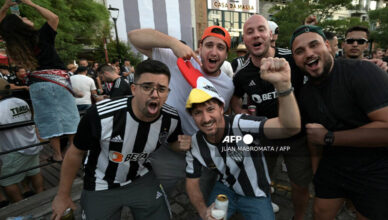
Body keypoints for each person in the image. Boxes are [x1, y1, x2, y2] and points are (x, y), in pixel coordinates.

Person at [51, 60, 190, 220]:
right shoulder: (101, 116)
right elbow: (75, 153)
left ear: (167, 93)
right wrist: (63, 195)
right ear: (133, 89)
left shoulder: (170, 118)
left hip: (141, 177)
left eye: (161, 89)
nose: (154, 94)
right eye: (146, 87)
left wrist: (183, 144)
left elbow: (173, 142)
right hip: (100, 183)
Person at [291, 25, 388, 220]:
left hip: (375, 167)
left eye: (314, 45)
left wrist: (330, 137)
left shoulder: (363, 72)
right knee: (320, 213)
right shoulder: (307, 93)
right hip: (333, 165)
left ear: (328, 46)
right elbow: (313, 138)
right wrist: (317, 172)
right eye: (300, 51)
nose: (308, 53)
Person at [184, 57, 301, 220]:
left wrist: (283, 86)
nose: (205, 118)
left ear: (221, 107)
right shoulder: (196, 142)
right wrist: (203, 211)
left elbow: (289, 127)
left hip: (256, 193)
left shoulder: (241, 124)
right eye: (197, 112)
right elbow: (191, 181)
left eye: (210, 109)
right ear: (192, 116)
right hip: (225, 189)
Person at [128, 26, 234, 195]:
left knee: (203, 195)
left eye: (220, 47)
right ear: (200, 47)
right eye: (209, 45)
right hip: (167, 147)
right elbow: (134, 36)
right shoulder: (178, 59)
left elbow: (221, 115)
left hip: (202, 149)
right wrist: (172, 43)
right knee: (156, 194)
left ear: (226, 55)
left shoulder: (228, 86)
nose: (214, 52)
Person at [231, 14, 312, 220]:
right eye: (249, 32)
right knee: (262, 180)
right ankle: (264, 211)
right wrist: (243, 117)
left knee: (300, 184)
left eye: (260, 29)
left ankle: (299, 217)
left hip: (298, 137)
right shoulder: (242, 74)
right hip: (266, 137)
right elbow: (235, 98)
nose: (256, 35)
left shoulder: (291, 59)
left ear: (270, 34)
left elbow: (319, 69)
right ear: (244, 39)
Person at [0, 0, 80, 162]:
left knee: (48, 117)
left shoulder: (16, 44)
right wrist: (31, 3)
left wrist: (5, 7)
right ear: (23, 26)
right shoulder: (41, 35)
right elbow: (54, 17)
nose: (26, 19)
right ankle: (73, 150)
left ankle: (57, 154)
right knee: (69, 114)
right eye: (23, 19)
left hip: (37, 83)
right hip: (58, 81)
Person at [0, 78, 44, 203]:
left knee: (7, 181)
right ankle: (41, 198)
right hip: (31, 144)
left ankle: (21, 207)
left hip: (13, 149)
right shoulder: (20, 101)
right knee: (34, 172)